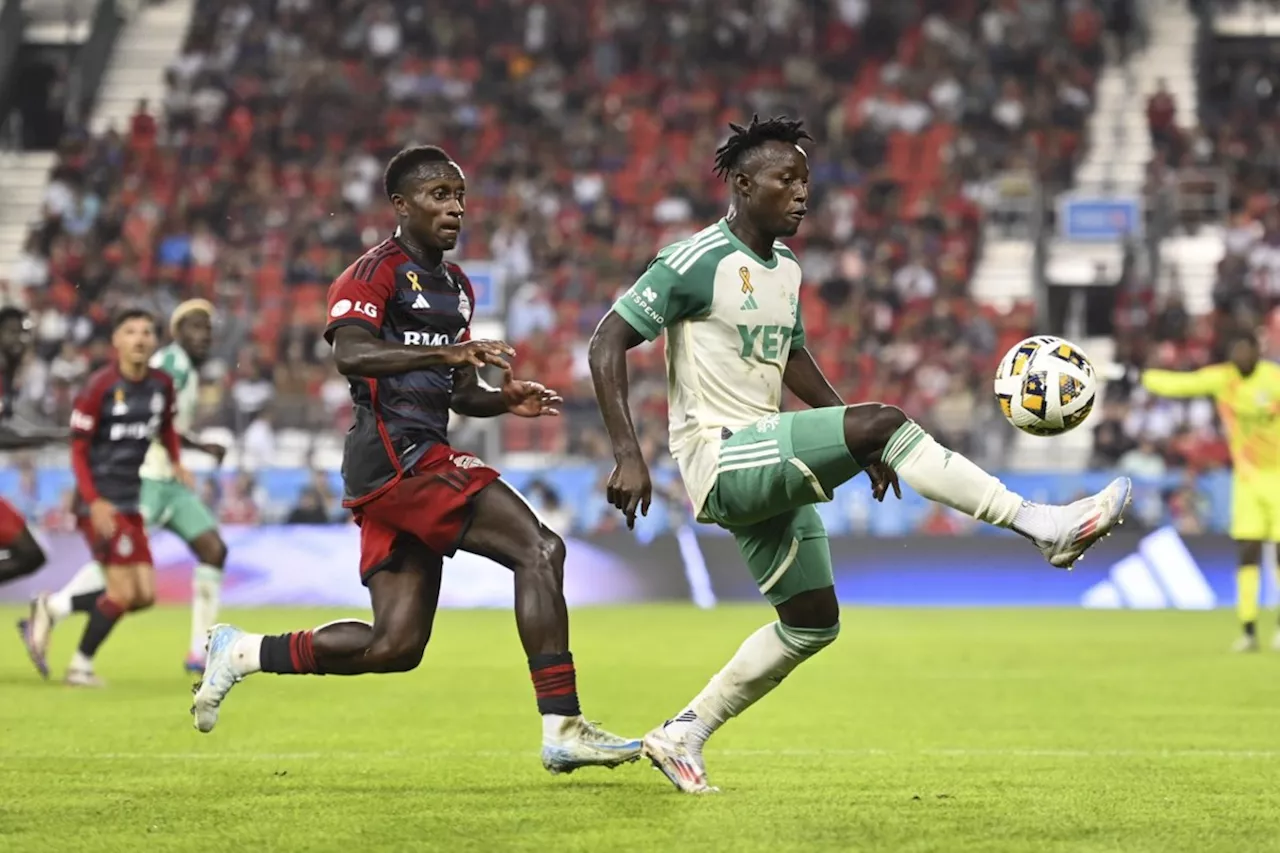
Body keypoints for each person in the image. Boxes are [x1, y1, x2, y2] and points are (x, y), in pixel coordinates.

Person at [587, 115, 1132, 794]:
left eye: (806, 179)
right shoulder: (693, 261)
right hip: (721, 455)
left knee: (812, 623)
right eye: (786, 179)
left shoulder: (785, 267)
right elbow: (607, 340)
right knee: (886, 419)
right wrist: (627, 453)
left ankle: (682, 732)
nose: (801, 192)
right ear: (743, 183)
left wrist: (857, 434)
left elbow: (791, 357)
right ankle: (1040, 524)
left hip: (764, 454)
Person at [190, 145, 640, 775]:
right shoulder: (370, 274)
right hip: (397, 456)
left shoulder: (455, 288)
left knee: (395, 645)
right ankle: (563, 724)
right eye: (438, 196)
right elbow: (352, 356)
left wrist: (501, 400)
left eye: (458, 196)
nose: (454, 208)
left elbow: (456, 392)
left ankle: (243, 651)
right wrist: (445, 358)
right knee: (540, 550)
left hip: (406, 461)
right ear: (401, 205)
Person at [50, 299, 230, 674]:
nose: (202, 336)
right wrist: (195, 446)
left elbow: (168, 424)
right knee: (119, 568)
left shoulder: (184, 372)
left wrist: (189, 451)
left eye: (207, 330)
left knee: (212, 550)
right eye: (194, 328)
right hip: (146, 478)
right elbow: (151, 419)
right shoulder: (168, 365)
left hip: (171, 481)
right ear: (176, 334)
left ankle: (200, 650)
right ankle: (55, 608)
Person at [23, 308, 187, 686]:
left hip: (131, 498)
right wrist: (93, 501)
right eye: (131, 332)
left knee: (145, 595)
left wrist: (177, 462)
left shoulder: (161, 384)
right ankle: (80, 665)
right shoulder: (98, 387)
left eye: (147, 332)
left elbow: (167, 428)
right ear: (116, 341)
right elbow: (78, 450)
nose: (140, 339)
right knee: (121, 591)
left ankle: (53, 606)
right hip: (98, 500)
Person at [1141, 330, 1280, 652]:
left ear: (1257, 351)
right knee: (1247, 550)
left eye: (1245, 350)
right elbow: (1181, 384)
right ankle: (1248, 630)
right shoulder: (1223, 379)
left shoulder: (1273, 379)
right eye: (1235, 350)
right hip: (1246, 479)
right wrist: (1144, 376)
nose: (1240, 356)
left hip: (1278, 477)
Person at [0, 307, 68, 589]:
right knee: (30, 554)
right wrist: (52, 436)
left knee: (30, 554)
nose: (21, 338)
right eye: (13, 331)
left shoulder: (8, 380)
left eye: (26, 331)